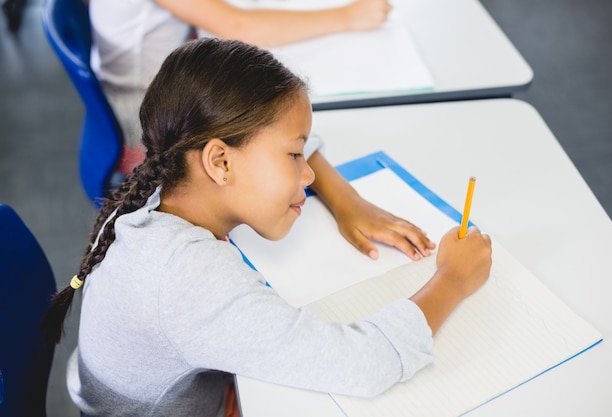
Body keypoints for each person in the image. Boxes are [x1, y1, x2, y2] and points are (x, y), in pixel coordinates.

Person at [43, 38, 492, 417]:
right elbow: (366, 363)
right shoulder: (187, 278)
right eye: (293, 157)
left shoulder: (170, 171)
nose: (308, 173)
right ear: (220, 161)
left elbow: (289, 132)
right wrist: (452, 278)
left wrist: (347, 200)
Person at [89, 0, 393, 173]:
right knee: (273, 133)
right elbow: (238, 27)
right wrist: (347, 15)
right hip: (141, 104)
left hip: (153, 74)